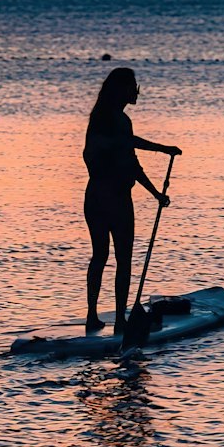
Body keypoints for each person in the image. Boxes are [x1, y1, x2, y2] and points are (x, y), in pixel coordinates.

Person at [83, 66, 181, 335]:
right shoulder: (115, 120)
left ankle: (93, 317)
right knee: (122, 259)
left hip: (94, 196)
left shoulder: (101, 119)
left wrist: (156, 194)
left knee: (100, 256)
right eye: (132, 86)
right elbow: (128, 152)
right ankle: (119, 321)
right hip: (114, 198)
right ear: (121, 89)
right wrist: (163, 149)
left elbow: (131, 162)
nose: (135, 91)